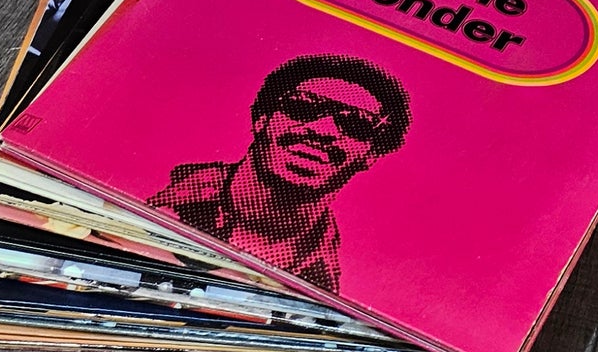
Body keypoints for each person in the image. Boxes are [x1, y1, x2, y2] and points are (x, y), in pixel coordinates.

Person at [149, 54, 412, 297]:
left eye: (356, 124)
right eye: (302, 108)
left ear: (371, 155)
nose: (322, 130)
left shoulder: (327, 278)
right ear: (262, 118)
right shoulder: (158, 203)